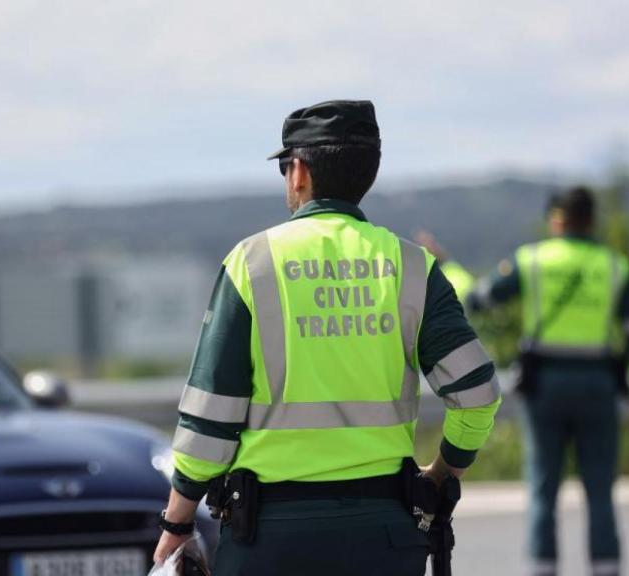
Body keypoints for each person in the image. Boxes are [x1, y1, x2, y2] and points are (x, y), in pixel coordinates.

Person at [152, 100, 502, 576]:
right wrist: (442, 474)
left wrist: (177, 522)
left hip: (269, 540)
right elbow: (478, 394)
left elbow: (209, 421)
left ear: (299, 172)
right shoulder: (413, 267)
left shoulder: (251, 264)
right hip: (385, 537)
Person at [466, 187, 629, 576]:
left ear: (557, 220)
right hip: (598, 387)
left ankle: (542, 569)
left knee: (542, 490)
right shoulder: (614, 266)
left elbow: (479, 299)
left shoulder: (533, 260)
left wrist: (449, 269)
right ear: (592, 220)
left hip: (545, 388)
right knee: (600, 492)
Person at [416, 231, 475, 300]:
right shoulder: (427, 285)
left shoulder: (452, 267)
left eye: (432, 242)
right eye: (424, 244)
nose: (430, 247)